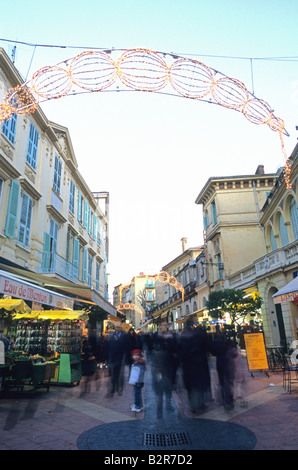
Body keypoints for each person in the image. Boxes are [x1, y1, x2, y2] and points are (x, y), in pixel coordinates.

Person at [106, 324, 129, 397]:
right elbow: (108, 346)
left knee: (119, 374)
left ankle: (119, 388)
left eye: (118, 327)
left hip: (121, 357)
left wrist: (126, 357)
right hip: (113, 357)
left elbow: (127, 346)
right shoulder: (111, 336)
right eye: (116, 327)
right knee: (113, 374)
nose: (117, 328)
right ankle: (113, 388)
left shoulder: (124, 336)